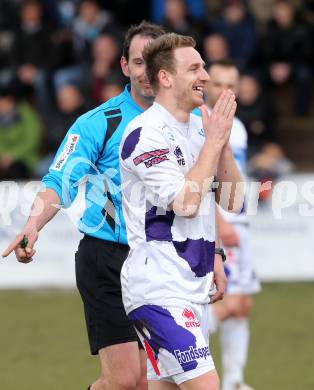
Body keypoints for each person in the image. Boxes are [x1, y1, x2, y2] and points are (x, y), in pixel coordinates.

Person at [2, 21, 165, 390]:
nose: (147, 72)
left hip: (160, 259)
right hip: (107, 258)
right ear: (124, 66)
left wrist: (214, 252)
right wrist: (32, 225)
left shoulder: (188, 121)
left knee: (149, 383)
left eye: (155, 62)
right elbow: (59, 180)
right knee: (124, 381)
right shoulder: (98, 123)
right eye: (139, 62)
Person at [119, 33, 244, 390]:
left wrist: (220, 143)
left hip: (192, 287)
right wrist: (214, 141)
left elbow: (233, 200)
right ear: (165, 77)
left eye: (204, 65)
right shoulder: (144, 134)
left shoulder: (199, 128)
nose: (205, 75)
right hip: (158, 288)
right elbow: (186, 203)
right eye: (195, 68)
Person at [205, 60, 261, 390]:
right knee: (230, 303)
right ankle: (173, 349)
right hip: (222, 224)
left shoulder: (235, 125)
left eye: (232, 84)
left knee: (242, 307)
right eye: (218, 83)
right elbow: (202, 181)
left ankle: (236, 381)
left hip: (239, 221)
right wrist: (220, 222)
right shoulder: (202, 124)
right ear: (205, 85)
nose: (226, 91)